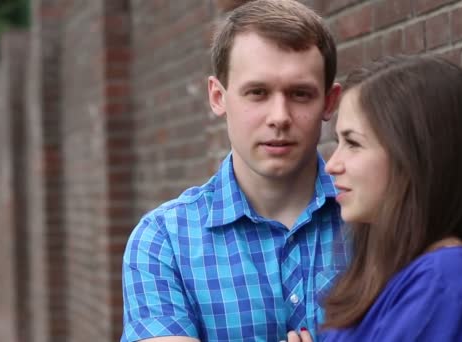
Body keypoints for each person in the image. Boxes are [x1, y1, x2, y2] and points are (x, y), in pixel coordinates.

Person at [121, 0, 346, 341]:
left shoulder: (377, 223)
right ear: (218, 97)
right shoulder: (163, 241)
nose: (279, 117)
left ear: (329, 102)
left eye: (300, 94)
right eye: (257, 93)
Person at [288, 55, 462, 342]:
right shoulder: (398, 271)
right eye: (339, 142)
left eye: (354, 143)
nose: (332, 164)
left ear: (415, 156)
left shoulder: (446, 281)